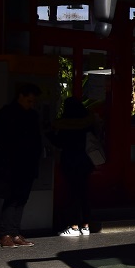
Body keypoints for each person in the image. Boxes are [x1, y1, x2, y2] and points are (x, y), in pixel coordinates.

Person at [0, 83, 43, 248]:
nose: (31, 104)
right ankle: (5, 233)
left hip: (28, 163)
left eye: (33, 101)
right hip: (12, 162)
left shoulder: (32, 115)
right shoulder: (7, 113)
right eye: (29, 100)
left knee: (22, 198)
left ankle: (14, 232)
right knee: (12, 197)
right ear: (20, 96)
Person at [50, 97, 96, 237]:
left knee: (72, 194)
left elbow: (59, 143)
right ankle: (86, 226)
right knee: (84, 194)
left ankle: (74, 226)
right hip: (86, 161)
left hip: (70, 161)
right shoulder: (88, 122)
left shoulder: (65, 124)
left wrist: (49, 133)